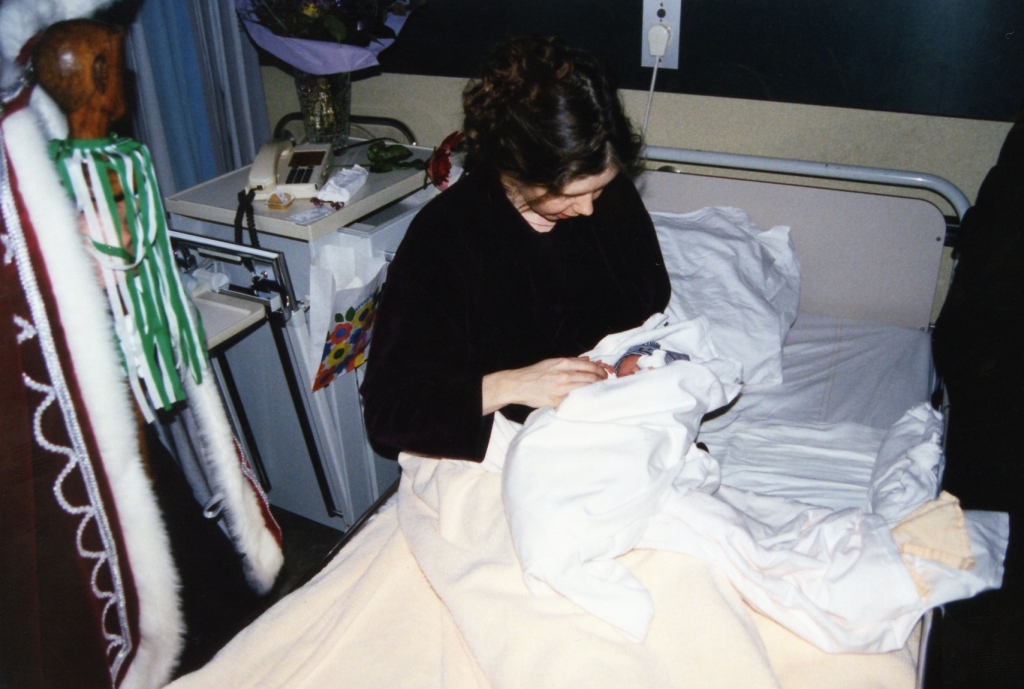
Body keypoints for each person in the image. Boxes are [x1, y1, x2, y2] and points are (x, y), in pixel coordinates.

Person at [360, 36, 671, 460]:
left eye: (599, 188)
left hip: (615, 422)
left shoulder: (611, 201)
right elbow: (389, 413)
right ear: (516, 167)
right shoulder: (446, 239)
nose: (587, 208)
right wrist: (515, 385)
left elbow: (650, 306)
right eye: (567, 194)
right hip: (502, 441)